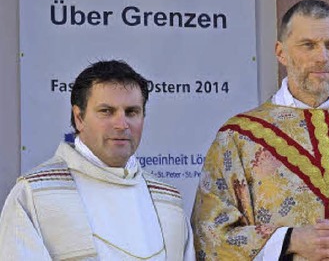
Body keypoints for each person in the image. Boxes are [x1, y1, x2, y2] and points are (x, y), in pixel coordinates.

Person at [191, 0, 329, 260]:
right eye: (308, 45)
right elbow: (210, 233)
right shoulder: (238, 138)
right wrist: (289, 240)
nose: (322, 57)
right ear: (280, 52)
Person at [0, 60, 195, 260]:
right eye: (106, 111)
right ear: (79, 118)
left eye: (131, 112)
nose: (121, 124)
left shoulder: (168, 201)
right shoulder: (35, 194)